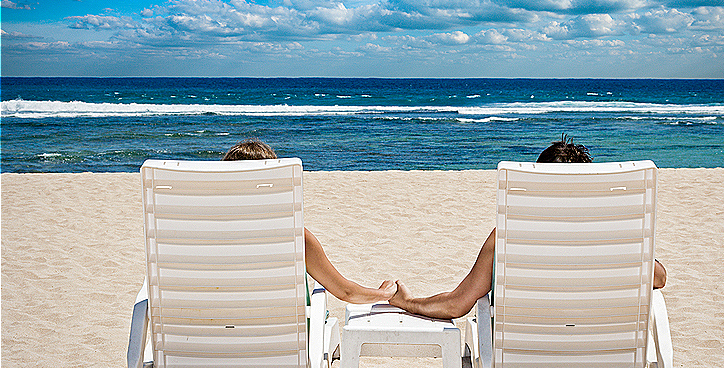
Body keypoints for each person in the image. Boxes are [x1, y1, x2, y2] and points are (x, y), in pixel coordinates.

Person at [389, 136, 667, 319]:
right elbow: (659, 278)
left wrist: (408, 302)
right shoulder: (613, 236)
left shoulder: (507, 236)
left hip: (527, 366)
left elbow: (455, 305)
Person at [223, 138, 397, 304]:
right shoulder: (294, 235)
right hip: (284, 331)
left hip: (209, 331)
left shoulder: (202, 234)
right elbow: (346, 292)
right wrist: (384, 293)